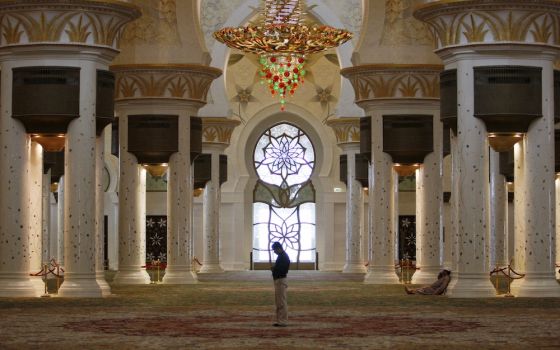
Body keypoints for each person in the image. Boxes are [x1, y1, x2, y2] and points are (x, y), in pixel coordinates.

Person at [271, 241, 290, 327]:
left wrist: (274, 269)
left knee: (281, 302)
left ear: (278, 248)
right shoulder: (282, 256)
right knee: (279, 301)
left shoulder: (283, 257)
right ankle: (280, 320)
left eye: (274, 250)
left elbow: (283, 270)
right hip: (280, 280)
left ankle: (283, 321)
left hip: (281, 280)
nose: (274, 251)